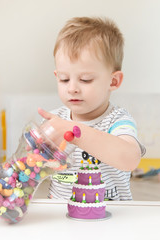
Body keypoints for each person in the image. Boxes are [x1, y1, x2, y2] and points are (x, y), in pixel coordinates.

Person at [38, 16, 146, 200]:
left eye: (85, 79)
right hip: (61, 216)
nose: (72, 88)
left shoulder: (118, 120)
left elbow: (130, 158)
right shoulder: (56, 120)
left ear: (113, 81)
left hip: (109, 217)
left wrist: (74, 131)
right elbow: (35, 168)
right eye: (64, 79)